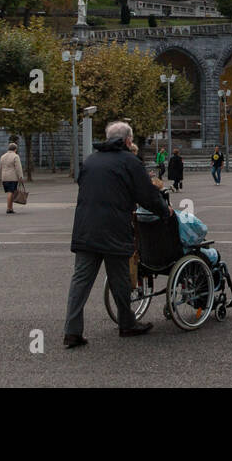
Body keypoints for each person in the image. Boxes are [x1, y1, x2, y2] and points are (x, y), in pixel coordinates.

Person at [62, 120, 171, 347]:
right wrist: (164, 210)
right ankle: (127, 324)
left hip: (85, 229)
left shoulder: (90, 160)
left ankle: (72, 331)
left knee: (80, 281)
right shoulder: (130, 161)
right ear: (128, 140)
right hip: (114, 229)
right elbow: (147, 195)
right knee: (119, 279)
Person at [0, 140, 25, 214]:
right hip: (12, 177)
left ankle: (10, 208)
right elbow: (18, 168)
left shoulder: (2, 156)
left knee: (10, 192)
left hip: (4, 177)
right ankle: (9, 208)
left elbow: (0, 167)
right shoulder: (15, 156)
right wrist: (21, 177)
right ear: (15, 149)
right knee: (11, 192)